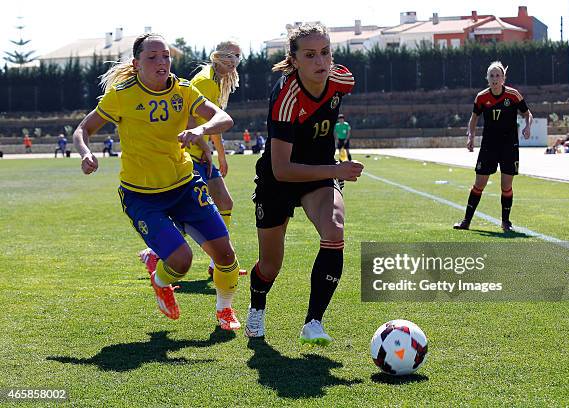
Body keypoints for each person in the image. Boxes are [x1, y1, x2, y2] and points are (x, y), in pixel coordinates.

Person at [72, 33, 242, 327]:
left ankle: (224, 310)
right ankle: (161, 281)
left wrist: (200, 131)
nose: (161, 63)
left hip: (185, 186)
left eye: (165, 56)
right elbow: (82, 130)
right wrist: (86, 153)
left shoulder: (184, 90)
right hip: (141, 196)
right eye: (152, 58)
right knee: (181, 261)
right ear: (137, 64)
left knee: (226, 255)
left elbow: (222, 118)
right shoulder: (121, 95)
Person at [245, 23, 364, 345]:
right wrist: (337, 169)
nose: (320, 61)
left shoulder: (342, 79)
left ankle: (313, 322)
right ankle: (257, 307)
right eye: (310, 55)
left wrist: (330, 170)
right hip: (278, 179)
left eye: (325, 52)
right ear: (294, 60)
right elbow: (282, 169)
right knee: (270, 266)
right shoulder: (285, 97)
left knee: (334, 228)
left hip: (320, 173)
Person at [138, 41, 243, 328]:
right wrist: (212, 150)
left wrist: (213, 148)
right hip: (191, 156)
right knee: (201, 210)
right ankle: (162, 256)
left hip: (199, 152)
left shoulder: (215, 81)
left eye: (238, 55)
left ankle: (213, 267)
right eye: (230, 54)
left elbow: (214, 121)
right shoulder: (204, 82)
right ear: (218, 56)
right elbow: (193, 120)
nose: (234, 59)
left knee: (224, 204)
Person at [454, 61, 532, 232]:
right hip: (489, 146)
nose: (495, 79)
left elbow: (528, 114)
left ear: (503, 78)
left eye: (498, 76)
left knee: (506, 186)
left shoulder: (513, 95)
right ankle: (466, 221)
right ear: (487, 78)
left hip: (509, 146)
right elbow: (474, 118)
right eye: (492, 76)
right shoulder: (481, 97)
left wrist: (527, 126)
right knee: (479, 184)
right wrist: (470, 135)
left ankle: (506, 222)